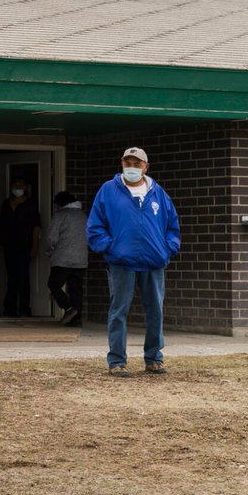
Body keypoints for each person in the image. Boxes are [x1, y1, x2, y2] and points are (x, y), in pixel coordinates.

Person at [86, 147, 181, 378]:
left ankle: (154, 358)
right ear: (121, 164)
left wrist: (167, 249)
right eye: (128, 163)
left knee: (155, 311)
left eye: (137, 164)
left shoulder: (158, 193)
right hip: (121, 263)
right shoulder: (108, 191)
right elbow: (95, 226)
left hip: (153, 262)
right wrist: (110, 248)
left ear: (146, 167)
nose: (132, 168)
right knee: (119, 311)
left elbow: (172, 226)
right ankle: (117, 361)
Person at [0, 179, 41, 317]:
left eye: (20, 186)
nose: (17, 188)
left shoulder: (30, 205)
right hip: (9, 245)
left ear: (25, 188)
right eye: (15, 186)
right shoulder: (6, 203)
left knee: (23, 278)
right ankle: (9, 308)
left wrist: (34, 246)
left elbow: (36, 227)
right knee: (11, 278)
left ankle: (24, 308)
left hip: (24, 245)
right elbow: (1, 226)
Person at [44, 191, 88, 326]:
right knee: (76, 288)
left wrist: (49, 251)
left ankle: (69, 308)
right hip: (81, 258)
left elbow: (51, 237)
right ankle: (77, 319)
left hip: (62, 258)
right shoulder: (83, 215)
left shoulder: (60, 215)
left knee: (54, 284)